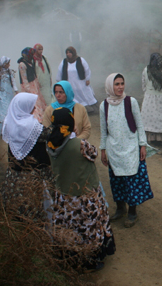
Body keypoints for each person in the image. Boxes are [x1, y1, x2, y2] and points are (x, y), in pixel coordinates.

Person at [47, 107, 115, 271]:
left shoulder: (50, 145)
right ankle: (90, 260)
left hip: (64, 195)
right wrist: (76, 136)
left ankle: (70, 257)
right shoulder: (79, 144)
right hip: (84, 195)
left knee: (70, 226)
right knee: (88, 226)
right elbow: (93, 154)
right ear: (71, 125)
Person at [100, 73, 155, 228]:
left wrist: (142, 145)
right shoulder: (104, 106)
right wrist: (103, 150)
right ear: (110, 86)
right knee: (117, 181)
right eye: (116, 84)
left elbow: (139, 125)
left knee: (131, 181)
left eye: (122, 83)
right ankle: (120, 208)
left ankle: (132, 212)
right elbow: (104, 130)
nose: (120, 87)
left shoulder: (131, 102)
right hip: (114, 150)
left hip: (131, 148)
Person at [0, 93, 52, 218]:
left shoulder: (9, 122)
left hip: (14, 175)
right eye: (31, 106)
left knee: (18, 208)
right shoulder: (33, 127)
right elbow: (50, 134)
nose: (34, 108)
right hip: (34, 176)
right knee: (37, 209)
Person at [141, 53, 162, 142]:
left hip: (148, 97)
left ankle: (149, 138)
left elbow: (143, 85)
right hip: (160, 98)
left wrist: (148, 92)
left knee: (149, 118)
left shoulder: (145, 70)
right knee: (159, 118)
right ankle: (159, 139)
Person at [56, 46, 97, 112]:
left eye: (70, 52)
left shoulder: (80, 60)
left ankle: (90, 107)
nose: (68, 54)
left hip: (81, 83)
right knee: (72, 95)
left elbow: (87, 70)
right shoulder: (64, 62)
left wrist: (87, 79)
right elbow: (60, 72)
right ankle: (75, 109)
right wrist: (60, 82)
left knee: (84, 93)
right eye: (67, 52)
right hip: (70, 83)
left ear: (73, 53)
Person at [17, 47, 47, 122]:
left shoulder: (30, 62)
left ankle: (41, 118)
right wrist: (28, 90)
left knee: (39, 102)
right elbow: (24, 79)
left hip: (34, 85)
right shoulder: (22, 64)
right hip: (29, 87)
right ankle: (36, 120)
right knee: (33, 103)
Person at [0, 56, 18, 135]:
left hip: (9, 94)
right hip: (0, 94)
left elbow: (13, 81)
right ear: (3, 63)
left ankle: (8, 129)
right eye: (7, 63)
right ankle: (1, 130)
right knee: (1, 111)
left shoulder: (9, 71)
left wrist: (16, 90)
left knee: (9, 110)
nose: (9, 65)